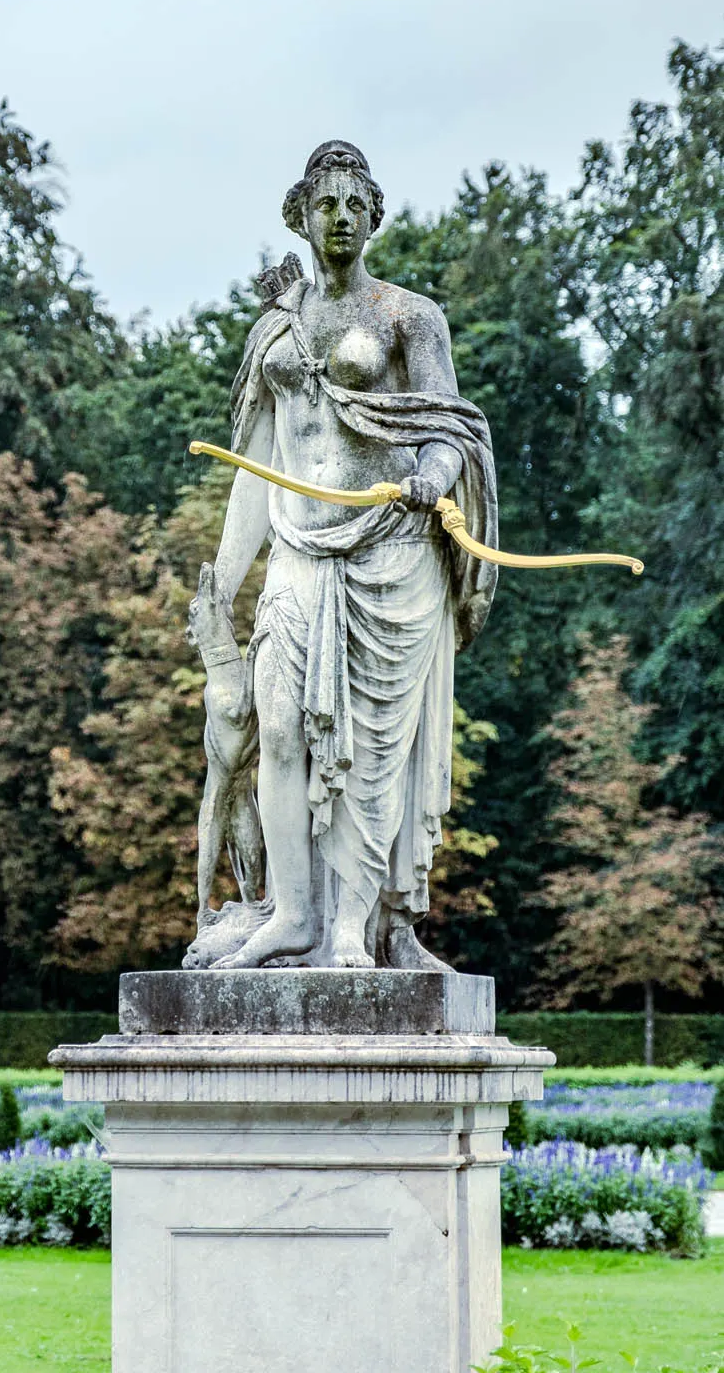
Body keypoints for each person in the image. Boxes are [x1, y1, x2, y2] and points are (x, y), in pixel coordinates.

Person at [186, 140, 497, 970]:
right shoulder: (274, 332)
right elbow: (254, 467)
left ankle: (353, 928)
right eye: (326, 205)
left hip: (390, 553)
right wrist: (222, 581)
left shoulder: (406, 315)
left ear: (373, 219)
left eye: (356, 207)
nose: (341, 219)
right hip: (297, 544)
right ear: (300, 214)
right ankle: (291, 914)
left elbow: (447, 430)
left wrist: (431, 478)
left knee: (365, 749)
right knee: (279, 727)